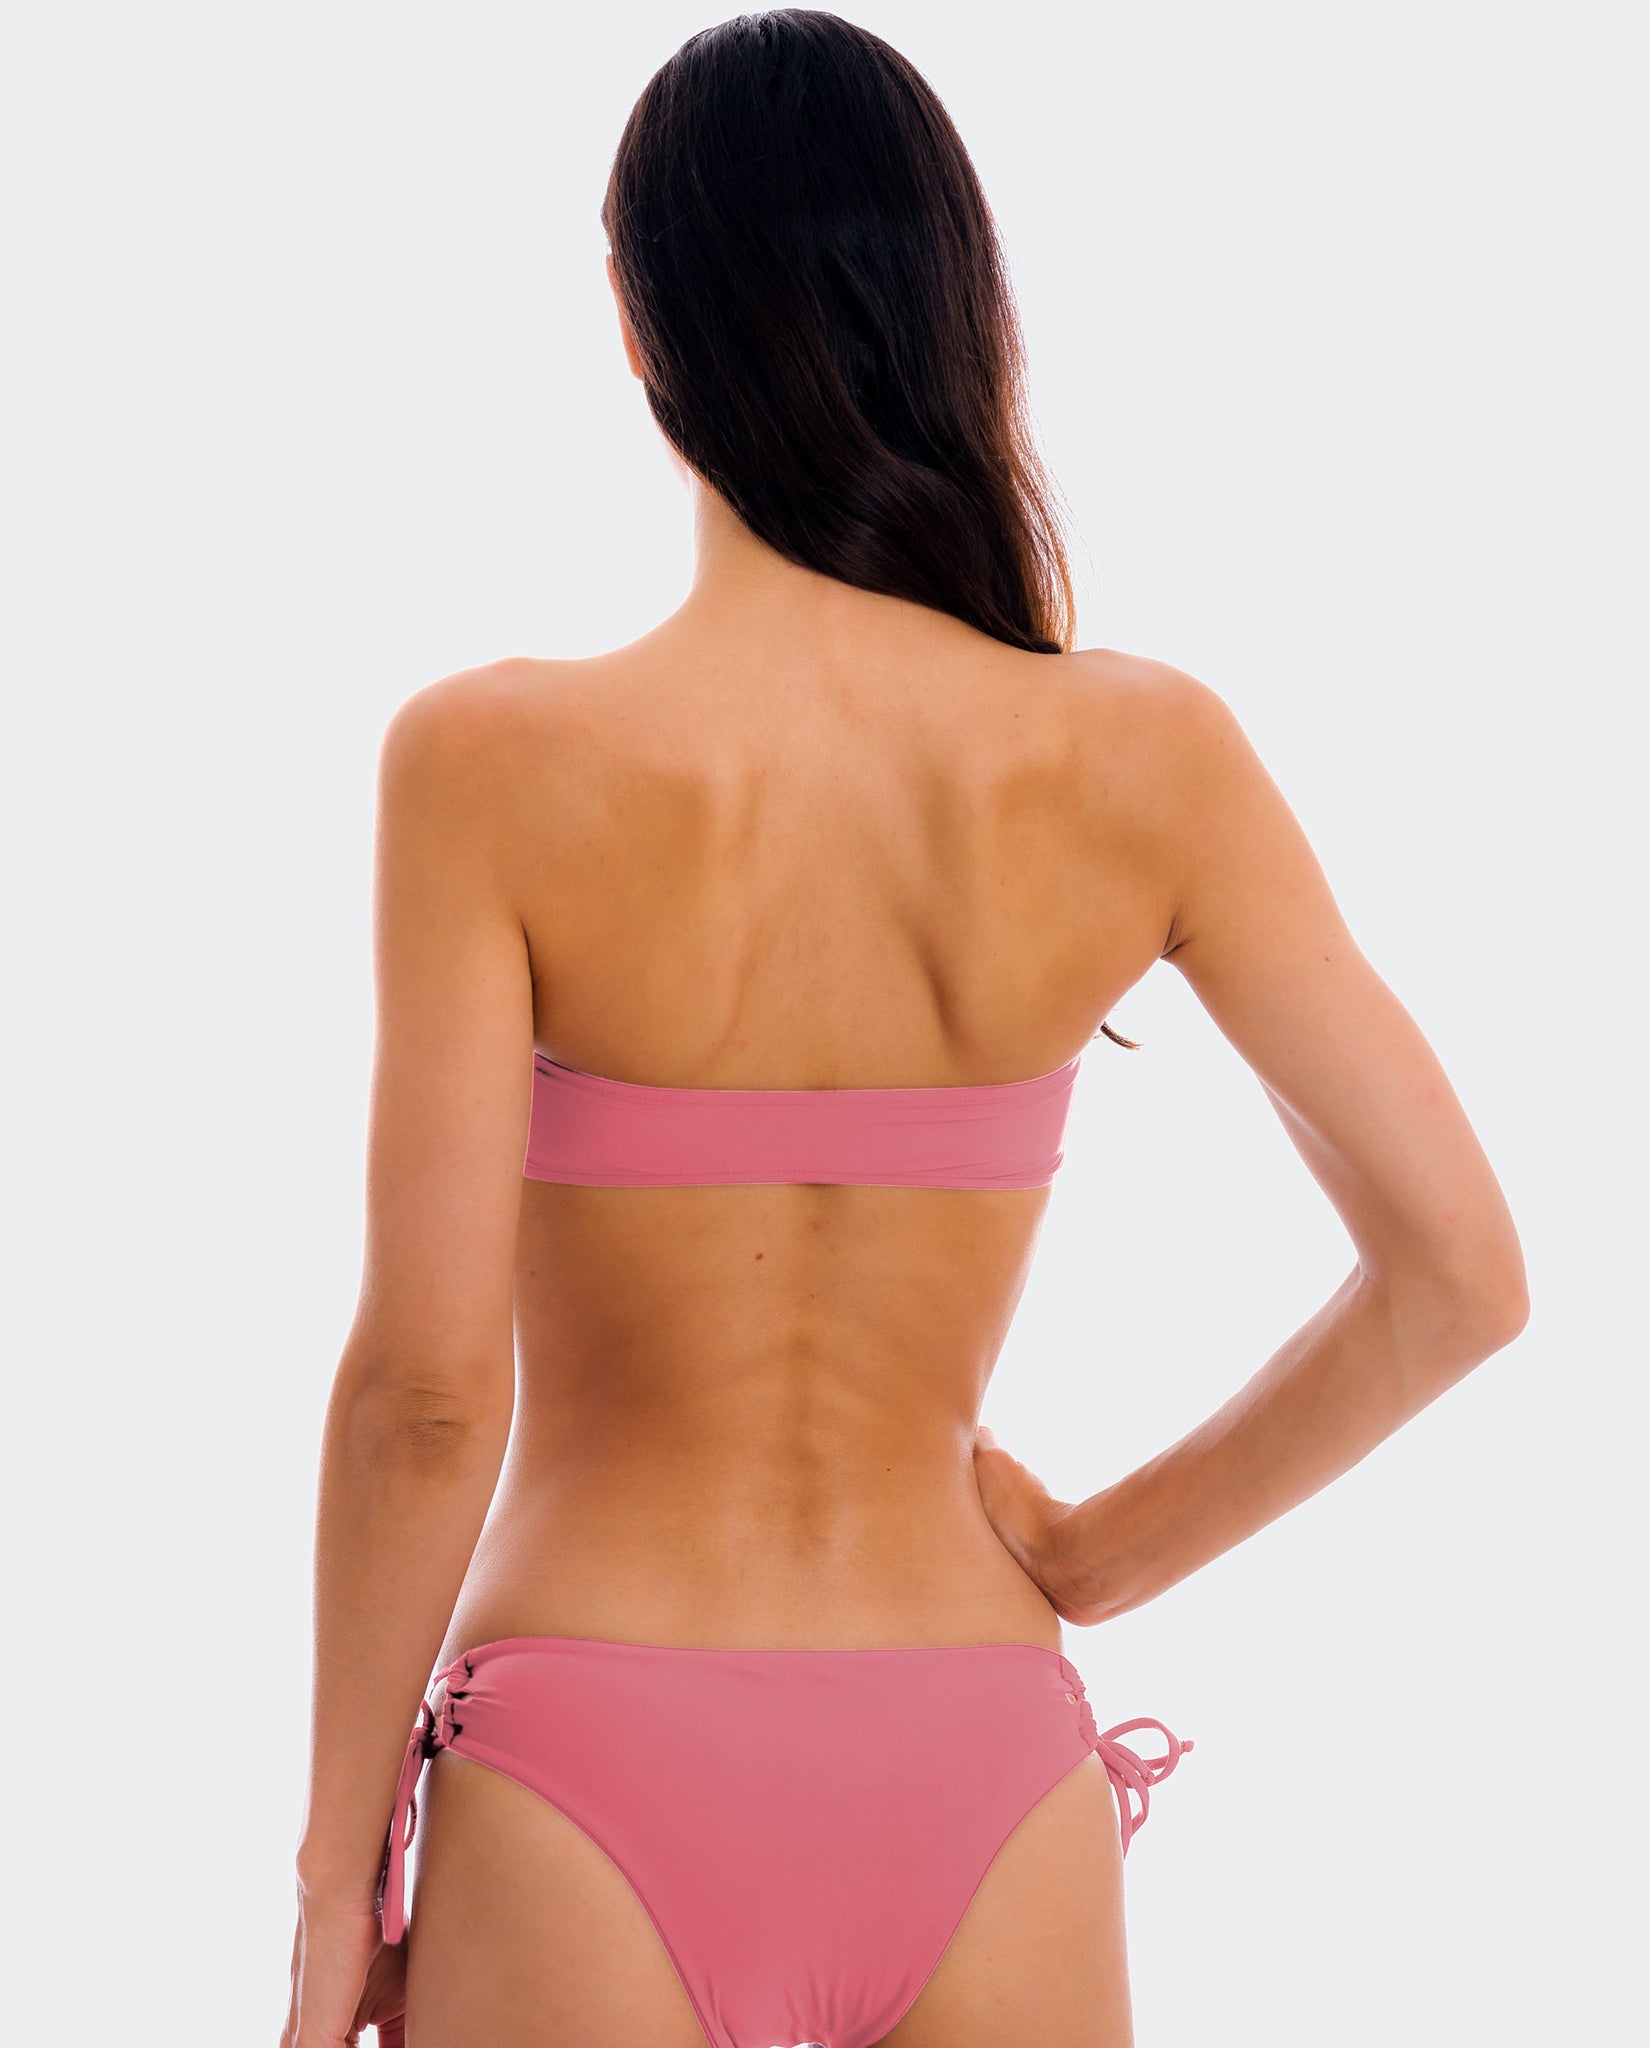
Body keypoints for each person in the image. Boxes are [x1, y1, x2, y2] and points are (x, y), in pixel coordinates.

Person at [280, 13, 1528, 2047]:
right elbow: (1459, 1275)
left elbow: (425, 1398)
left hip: (589, 1738)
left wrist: (338, 1884)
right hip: (976, 1742)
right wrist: (1093, 1559)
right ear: (955, 307)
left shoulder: (489, 764)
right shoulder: (1147, 760)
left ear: (640, 321)